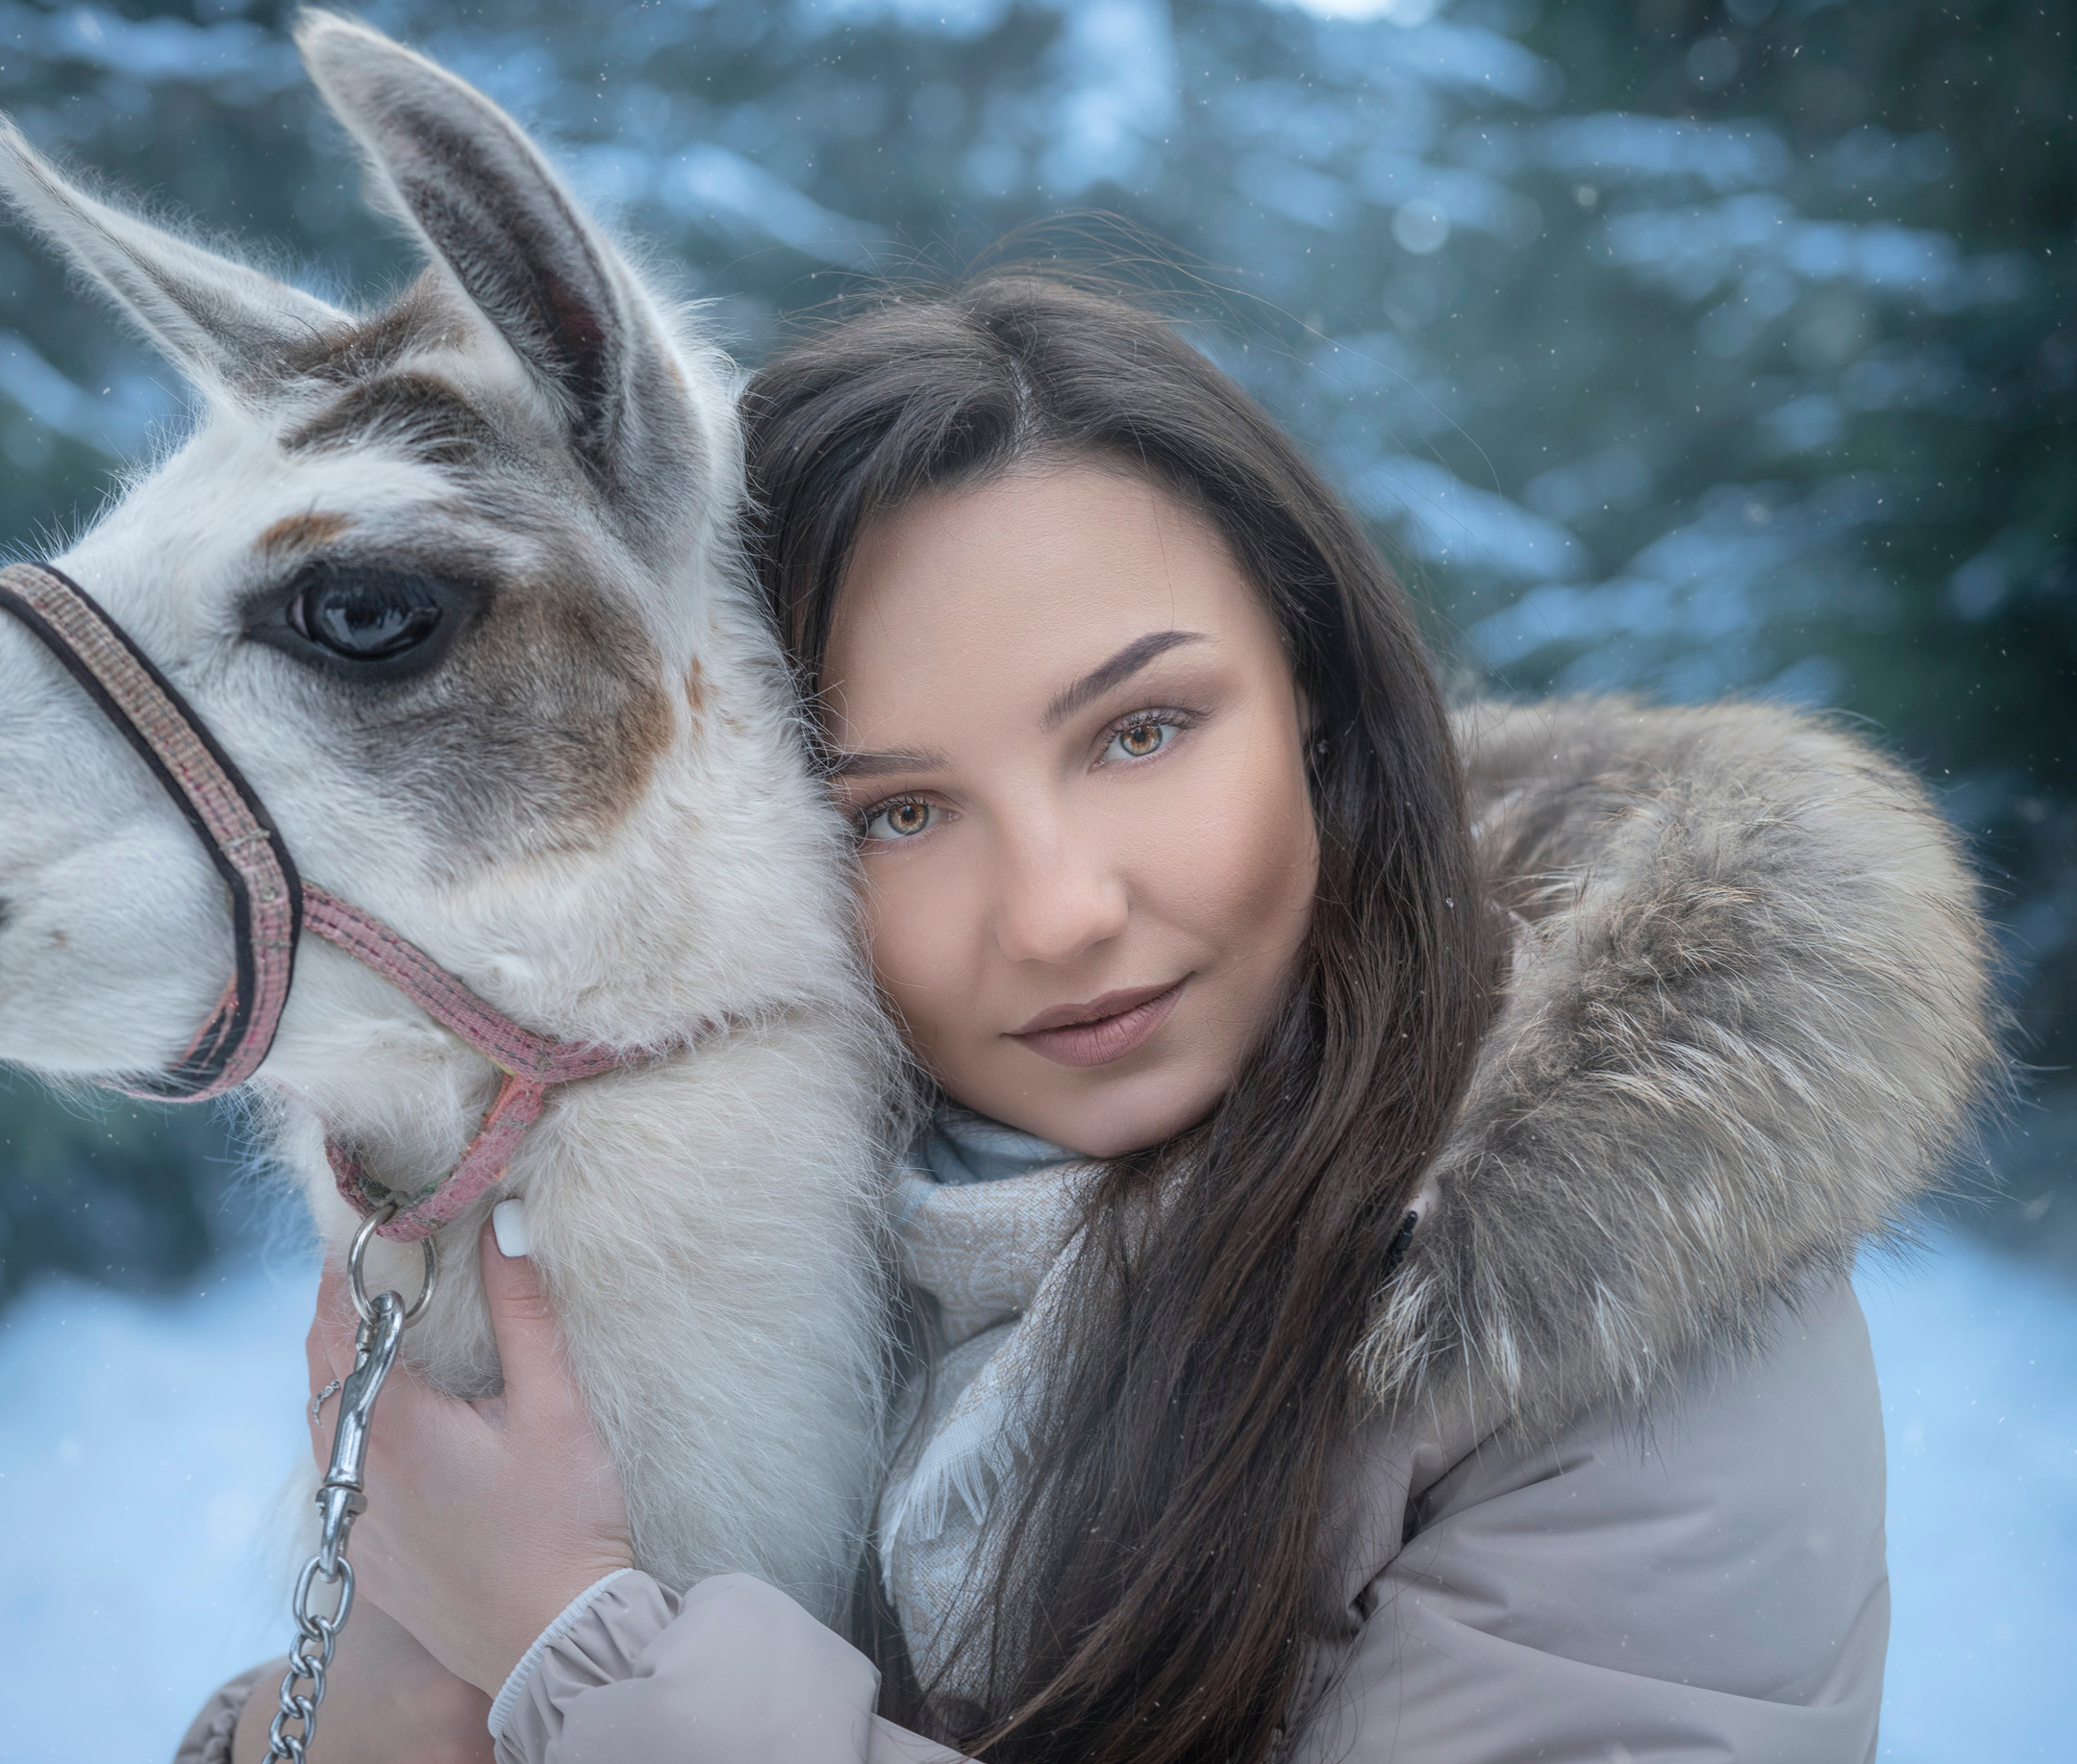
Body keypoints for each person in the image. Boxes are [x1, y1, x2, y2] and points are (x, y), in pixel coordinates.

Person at [182, 275, 1997, 1764]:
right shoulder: (693, 1243)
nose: (1061, 910)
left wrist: (584, 1664)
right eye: (893, 811)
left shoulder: (1620, 1281)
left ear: (1316, 692)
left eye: (1141, 731)